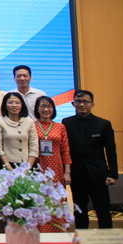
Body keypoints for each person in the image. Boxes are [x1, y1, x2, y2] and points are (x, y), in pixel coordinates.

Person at [63, 89, 118, 229]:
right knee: (79, 210)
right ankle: (81, 238)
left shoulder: (103, 124)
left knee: (103, 209)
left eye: (85, 102)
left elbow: (110, 151)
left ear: (92, 104)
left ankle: (107, 238)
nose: (82, 104)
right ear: (73, 104)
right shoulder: (66, 123)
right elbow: (64, 149)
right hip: (76, 173)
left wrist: (113, 174)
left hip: (98, 174)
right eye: (78, 101)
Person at [33, 95, 72, 233]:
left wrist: (67, 172)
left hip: (57, 168)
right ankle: (41, 231)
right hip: (38, 168)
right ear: (37, 109)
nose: (46, 109)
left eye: (49, 106)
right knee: (40, 200)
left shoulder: (60, 127)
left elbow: (65, 150)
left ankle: (58, 231)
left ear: (53, 109)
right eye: (42, 106)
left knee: (57, 200)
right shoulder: (32, 126)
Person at [0, 92, 38, 170]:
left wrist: (28, 168)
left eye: (17, 103)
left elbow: (34, 145)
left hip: (27, 164)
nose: (14, 105)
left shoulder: (29, 121)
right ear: (5, 105)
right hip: (7, 165)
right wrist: (9, 168)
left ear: (22, 105)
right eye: (10, 102)